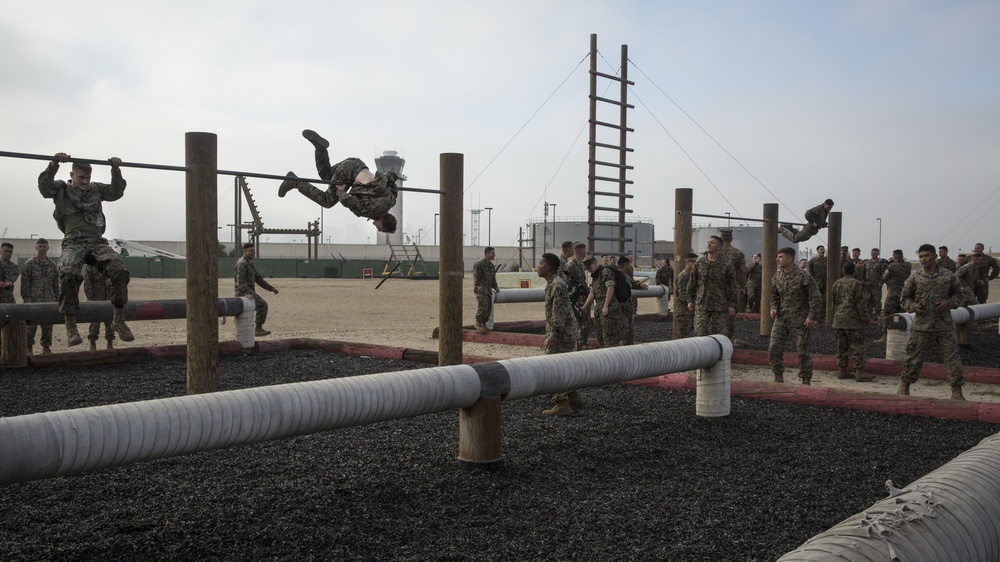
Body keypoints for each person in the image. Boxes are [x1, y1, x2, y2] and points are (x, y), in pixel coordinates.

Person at [38, 153, 134, 347]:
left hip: (97, 241)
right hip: (74, 240)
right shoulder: (62, 188)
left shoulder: (96, 189)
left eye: (87, 178)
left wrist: (115, 170)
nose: (85, 181)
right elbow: (44, 187)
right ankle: (70, 324)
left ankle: (118, 318)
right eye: (81, 177)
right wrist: (54, 163)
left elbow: (116, 192)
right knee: (68, 272)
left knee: (118, 269)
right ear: (72, 174)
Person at [278, 130, 398, 234]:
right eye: (380, 229)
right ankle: (294, 181)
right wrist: (341, 191)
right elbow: (349, 201)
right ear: (381, 221)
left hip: (356, 163)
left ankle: (320, 149)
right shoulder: (370, 211)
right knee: (327, 201)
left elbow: (391, 179)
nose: (378, 229)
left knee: (326, 176)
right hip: (347, 173)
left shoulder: (391, 201)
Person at [898, 244, 964, 400]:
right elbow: (904, 299)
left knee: (952, 358)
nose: (923, 259)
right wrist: (913, 306)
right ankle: (904, 387)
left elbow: (959, 296)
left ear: (935, 256)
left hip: (944, 325)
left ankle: (956, 391)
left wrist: (949, 303)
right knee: (913, 358)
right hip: (922, 326)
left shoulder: (948, 276)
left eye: (927, 255)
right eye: (921, 256)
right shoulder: (915, 278)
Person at [769, 247, 822, 384]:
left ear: (789, 259)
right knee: (774, 347)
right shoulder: (777, 276)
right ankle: (778, 376)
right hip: (781, 319)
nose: (777, 259)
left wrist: (811, 316)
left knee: (802, 351)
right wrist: (773, 307)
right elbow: (774, 295)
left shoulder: (803, 276)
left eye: (780, 257)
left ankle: (805, 379)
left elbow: (815, 298)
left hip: (800, 321)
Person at [537, 253, 582, 415]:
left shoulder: (557, 285)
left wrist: (554, 335)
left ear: (548, 267)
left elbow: (558, 313)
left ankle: (561, 403)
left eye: (541, 263)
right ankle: (572, 395)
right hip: (564, 332)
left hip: (562, 334)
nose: (538, 265)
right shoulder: (552, 284)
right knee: (564, 365)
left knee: (553, 366)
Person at [686, 235, 738, 338]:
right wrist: (689, 300)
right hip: (702, 304)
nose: (709, 244)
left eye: (712, 243)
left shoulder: (726, 264)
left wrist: (732, 304)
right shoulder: (699, 263)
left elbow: (733, 285)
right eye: (708, 242)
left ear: (719, 247)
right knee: (699, 334)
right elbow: (692, 283)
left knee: (720, 336)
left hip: (720, 306)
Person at [831, 261, 874, 382]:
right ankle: (859, 373)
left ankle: (842, 370)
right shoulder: (857, 284)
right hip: (853, 321)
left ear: (843, 271)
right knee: (857, 346)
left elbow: (833, 302)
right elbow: (861, 304)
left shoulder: (836, 284)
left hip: (839, 319)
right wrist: (866, 320)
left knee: (841, 346)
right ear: (854, 271)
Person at [20, 238, 59, 354]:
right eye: (40, 246)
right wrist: (27, 300)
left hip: (48, 300)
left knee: (47, 326)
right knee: (30, 326)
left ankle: (46, 347)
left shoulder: (52, 265)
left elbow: (56, 283)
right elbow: (25, 284)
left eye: (44, 246)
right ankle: (28, 347)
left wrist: (57, 298)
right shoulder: (29, 264)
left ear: (48, 248)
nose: (42, 248)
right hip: (33, 300)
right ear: (36, 247)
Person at [581, 256, 627, 348]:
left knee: (609, 338)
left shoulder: (605, 272)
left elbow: (610, 289)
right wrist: (584, 307)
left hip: (609, 310)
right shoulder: (595, 276)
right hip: (600, 310)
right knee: (600, 338)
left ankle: (612, 360)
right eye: (587, 269)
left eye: (590, 268)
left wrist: (606, 306)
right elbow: (593, 292)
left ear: (595, 264)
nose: (589, 270)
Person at [234, 243, 279, 337]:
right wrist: (245, 293)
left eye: (254, 250)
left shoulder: (249, 263)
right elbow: (240, 281)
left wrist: (271, 288)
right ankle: (258, 329)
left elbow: (258, 279)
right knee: (262, 304)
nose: (253, 252)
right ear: (244, 251)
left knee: (256, 307)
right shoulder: (242, 263)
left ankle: (255, 329)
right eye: (250, 251)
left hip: (250, 291)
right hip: (243, 292)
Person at [718, 228, 748, 345]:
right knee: (730, 314)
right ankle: (728, 340)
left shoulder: (716, 252)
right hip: (732, 289)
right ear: (731, 238)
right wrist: (743, 287)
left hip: (716, 288)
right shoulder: (738, 254)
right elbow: (743, 271)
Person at [875, 249, 910, 344]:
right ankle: (902, 335)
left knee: (887, 314)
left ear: (894, 257)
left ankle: (885, 337)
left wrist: (889, 267)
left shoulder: (892, 266)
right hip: (904, 294)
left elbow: (885, 277)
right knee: (902, 314)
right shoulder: (908, 265)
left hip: (893, 294)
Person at [560, 242, 591, 349]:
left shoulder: (581, 265)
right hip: (576, 300)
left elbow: (582, 282)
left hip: (584, 298)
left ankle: (580, 346)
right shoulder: (570, 265)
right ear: (582, 252)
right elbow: (567, 285)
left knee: (586, 325)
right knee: (578, 325)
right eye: (585, 251)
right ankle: (577, 348)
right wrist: (574, 300)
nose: (586, 253)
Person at [83, 264, 115, 351]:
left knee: (110, 321)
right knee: (94, 322)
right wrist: (90, 299)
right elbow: (87, 283)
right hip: (96, 298)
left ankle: (110, 343)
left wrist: (112, 281)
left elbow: (118, 278)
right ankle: (92, 343)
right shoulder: (90, 266)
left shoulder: (110, 264)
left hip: (109, 297)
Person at [618, 256, 648, 345]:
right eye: (628, 264)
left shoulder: (626, 276)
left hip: (628, 310)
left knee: (630, 333)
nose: (630, 267)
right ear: (625, 265)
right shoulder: (618, 276)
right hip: (621, 310)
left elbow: (632, 283)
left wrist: (639, 285)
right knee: (622, 332)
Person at [473, 246, 499, 334]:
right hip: (481, 290)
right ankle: (478, 322)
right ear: (487, 254)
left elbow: (493, 278)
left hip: (488, 290)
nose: (494, 255)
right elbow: (477, 276)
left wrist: (495, 287)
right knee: (483, 306)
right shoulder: (479, 264)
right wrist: (478, 286)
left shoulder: (491, 266)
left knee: (488, 308)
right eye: (492, 253)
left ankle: (483, 324)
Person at [673, 254, 698, 338]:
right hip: (684, 312)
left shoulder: (694, 275)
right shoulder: (683, 276)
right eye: (694, 262)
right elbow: (682, 295)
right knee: (686, 337)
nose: (696, 264)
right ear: (687, 262)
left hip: (693, 311)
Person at [863, 248, 888, 318]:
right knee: (867, 300)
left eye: (875, 253)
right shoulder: (866, 262)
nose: (873, 254)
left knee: (877, 300)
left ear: (878, 254)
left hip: (876, 285)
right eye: (872, 253)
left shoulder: (881, 263)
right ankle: (868, 315)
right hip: (867, 285)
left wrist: (881, 282)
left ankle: (877, 315)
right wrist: (863, 281)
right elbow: (863, 272)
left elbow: (883, 274)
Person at [807, 245, 828, 318]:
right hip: (816, 283)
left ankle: (824, 316)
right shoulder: (812, 261)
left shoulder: (827, 260)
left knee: (825, 300)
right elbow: (809, 273)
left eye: (823, 249)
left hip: (826, 283)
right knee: (816, 300)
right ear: (817, 251)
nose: (823, 251)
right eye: (821, 249)